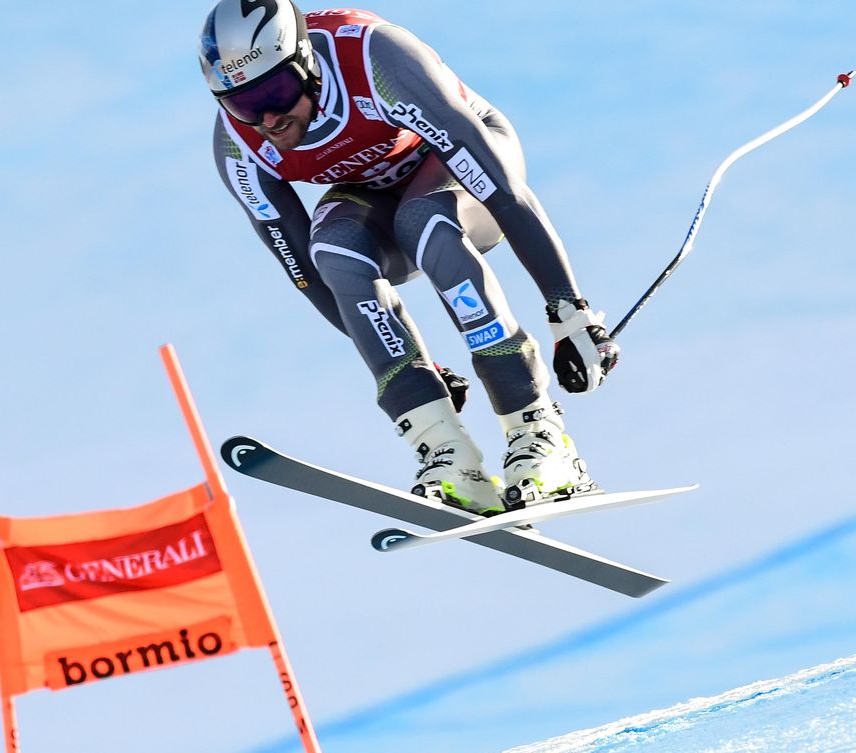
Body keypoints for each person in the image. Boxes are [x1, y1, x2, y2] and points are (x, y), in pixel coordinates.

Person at [200, 0, 620, 514]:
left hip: (463, 168)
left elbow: (502, 193)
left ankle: (537, 430)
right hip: (374, 192)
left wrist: (568, 312)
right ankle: (444, 446)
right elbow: (305, 274)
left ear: (306, 65)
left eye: (275, 92)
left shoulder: (377, 59)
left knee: (424, 223)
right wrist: (415, 368)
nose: (266, 117)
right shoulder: (238, 146)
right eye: (242, 103)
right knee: (330, 250)